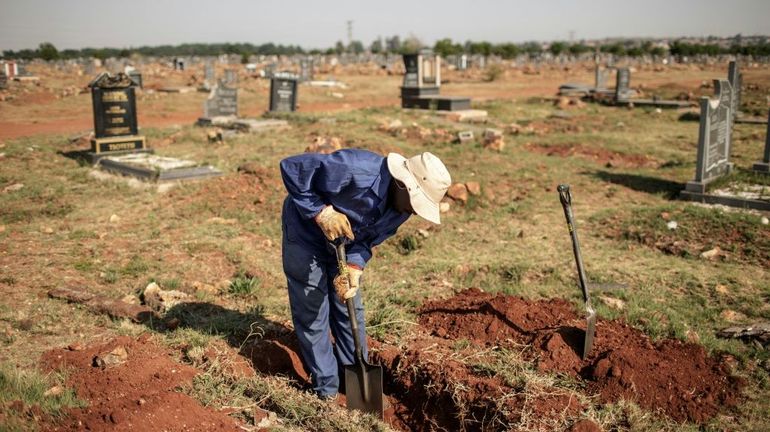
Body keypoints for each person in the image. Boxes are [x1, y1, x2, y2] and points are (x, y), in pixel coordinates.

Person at [279, 149, 451, 400]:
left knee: (350, 308)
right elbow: (292, 167)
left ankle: (354, 383)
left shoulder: (399, 211)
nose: (414, 212)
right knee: (313, 310)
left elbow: (366, 240)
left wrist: (354, 267)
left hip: (343, 247)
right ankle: (326, 390)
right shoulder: (354, 168)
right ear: (403, 185)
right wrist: (321, 212)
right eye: (416, 204)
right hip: (306, 237)